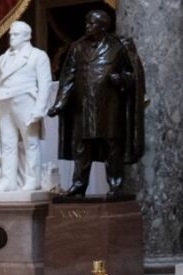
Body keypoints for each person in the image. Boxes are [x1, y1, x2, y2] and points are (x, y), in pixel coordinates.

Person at [47, 10, 144, 198]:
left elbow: (134, 76)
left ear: (103, 26)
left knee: (112, 147)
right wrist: (59, 103)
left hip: (109, 106)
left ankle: (115, 184)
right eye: (87, 22)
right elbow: (68, 77)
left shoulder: (118, 46)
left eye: (91, 23)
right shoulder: (77, 47)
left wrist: (122, 79)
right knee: (82, 147)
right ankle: (79, 184)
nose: (87, 26)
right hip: (83, 106)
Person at [0, 22, 52, 192]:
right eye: (11, 34)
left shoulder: (37, 55)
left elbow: (45, 84)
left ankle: (32, 180)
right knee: (8, 144)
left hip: (25, 102)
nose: (12, 37)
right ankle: (8, 181)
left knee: (31, 142)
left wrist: (39, 109)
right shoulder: (3, 57)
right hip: (4, 103)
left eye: (16, 34)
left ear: (27, 36)